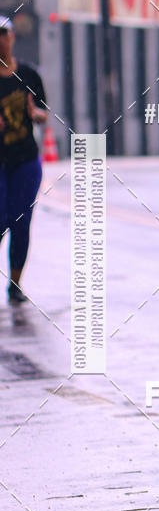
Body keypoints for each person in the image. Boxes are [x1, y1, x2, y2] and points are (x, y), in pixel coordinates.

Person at [0, 16, 48, 303]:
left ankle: (15, 286)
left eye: (4, 33)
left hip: (26, 161)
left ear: (13, 37)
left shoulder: (29, 75)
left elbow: (43, 113)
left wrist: (35, 115)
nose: (0, 40)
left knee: (21, 221)